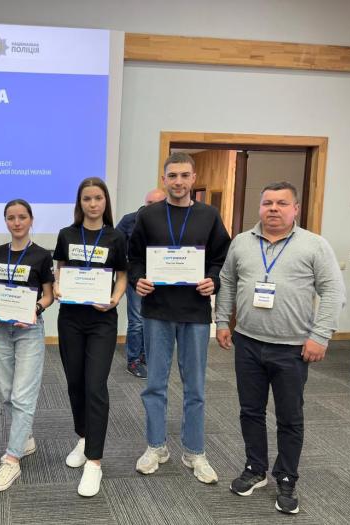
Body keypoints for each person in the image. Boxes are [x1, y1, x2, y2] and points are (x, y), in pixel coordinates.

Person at [215, 181, 345, 515]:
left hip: (292, 348)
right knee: (250, 411)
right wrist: (221, 321)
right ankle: (255, 468)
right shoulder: (242, 242)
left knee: (289, 417)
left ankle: (286, 477)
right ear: (260, 207)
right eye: (268, 202)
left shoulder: (314, 245)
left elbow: (333, 291)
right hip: (247, 342)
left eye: (282, 203)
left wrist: (321, 335)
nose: (273, 208)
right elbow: (227, 282)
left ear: (295, 209)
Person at [129, 152, 230, 484]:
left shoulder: (209, 215)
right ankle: (156, 447)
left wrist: (213, 279)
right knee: (155, 384)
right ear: (164, 179)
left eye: (185, 175)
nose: (178, 181)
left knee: (195, 387)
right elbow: (133, 258)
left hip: (195, 312)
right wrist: (137, 279)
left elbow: (221, 258)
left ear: (193, 178)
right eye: (172, 176)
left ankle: (194, 451)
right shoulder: (148, 216)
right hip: (157, 311)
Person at [53, 177, 128, 497]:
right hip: (70, 318)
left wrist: (114, 299)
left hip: (102, 321)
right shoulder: (67, 234)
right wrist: (58, 286)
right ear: (79, 203)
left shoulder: (116, 236)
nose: (93, 204)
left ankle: (94, 461)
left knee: (95, 385)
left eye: (98, 198)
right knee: (75, 383)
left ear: (105, 201)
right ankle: (84, 438)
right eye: (87, 198)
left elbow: (122, 276)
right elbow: (60, 268)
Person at [0, 199, 55, 492]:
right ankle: (24, 439)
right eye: (11, 217)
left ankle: (12, 459)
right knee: (7, 393)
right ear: (6, 221)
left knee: (23, 395)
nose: (17, 222)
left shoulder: (41, 255)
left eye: (22, 217)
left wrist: (34, 308)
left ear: (31, 220)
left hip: (29, 330)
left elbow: (49, 295)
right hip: (0, 329)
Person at [116, 188, 166, 378]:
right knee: (137, 321)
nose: (153, 207)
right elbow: (116, 246)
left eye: (158, 204)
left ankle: (145, 355)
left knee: (152, 319)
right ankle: (133, 360)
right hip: (136, 280)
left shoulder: (169, 221)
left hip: (159, 280)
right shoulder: (129, 220)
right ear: (144, 203)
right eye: (150, 203)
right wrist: (128, 270)